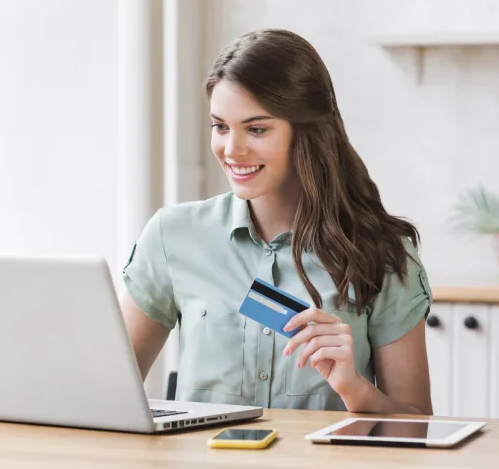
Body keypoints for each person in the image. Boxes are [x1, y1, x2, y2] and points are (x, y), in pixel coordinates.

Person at [120, 29, 433, 414]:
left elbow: (418, 426)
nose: (231, 150)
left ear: (306, 132)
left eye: (256, 129)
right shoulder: (173, 236)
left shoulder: (382, 252)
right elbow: (108, 392)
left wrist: (353, 388)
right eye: (220, 127)